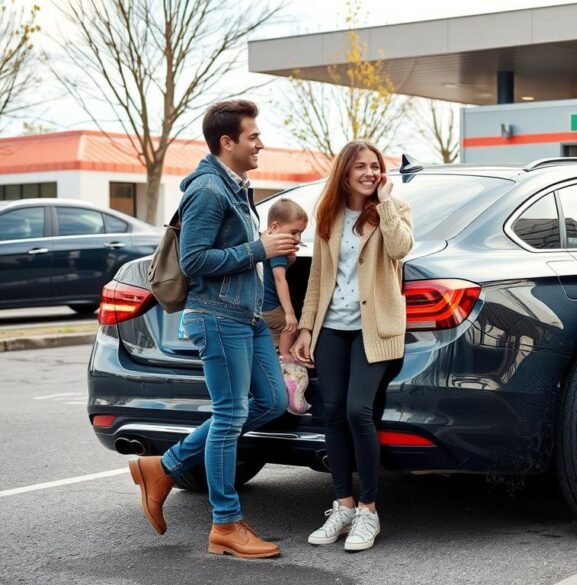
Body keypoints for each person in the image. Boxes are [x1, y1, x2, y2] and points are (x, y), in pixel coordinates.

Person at [127, 100, 296, 559]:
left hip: (247, 317)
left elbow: (235, 251)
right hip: (217, 317)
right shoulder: (208, 189)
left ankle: (164, 466)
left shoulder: (236, 187)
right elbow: (195, 261)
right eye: (253, 135)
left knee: (273, 401)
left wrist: (269, 252)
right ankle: (225, 524)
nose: (261, 142)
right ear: (228, 141)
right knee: (229, 416)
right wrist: (259, 249)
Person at [291, 140, 414, 552]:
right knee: (332, 413)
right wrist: (307, 328)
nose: (369, 173)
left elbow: (401, 249)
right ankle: (341, 505)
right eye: (360, 167)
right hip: (332, 329)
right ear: (344, 172)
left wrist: (386, 202)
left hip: (374, 329)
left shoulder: (392, 211)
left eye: (375, 166)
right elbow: (318, 279)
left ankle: (368, 510)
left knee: (358, 411)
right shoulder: (327, 215)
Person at [261, 198, 308, 359]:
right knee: (290, 327)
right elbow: (280, 279)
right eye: (294, 232)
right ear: (275, 227)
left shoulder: (263, 240)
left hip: (257, 306)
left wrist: (289, 262)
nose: (298, 238)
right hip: (270, 307)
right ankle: (285, 356)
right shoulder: (279, 247)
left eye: (301, 233)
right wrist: (289, 313)